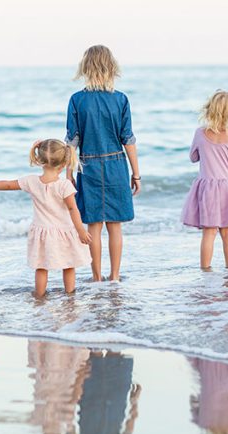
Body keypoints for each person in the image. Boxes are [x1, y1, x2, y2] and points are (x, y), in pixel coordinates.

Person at [0, 140, 91, 297]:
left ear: (39, 160)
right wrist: (81, 231)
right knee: (69, 265)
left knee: (41, 266)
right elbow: (73, 209)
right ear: (64, 163)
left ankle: (39, 296)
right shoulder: (64, 185)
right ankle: (70, 297)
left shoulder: (31, 181)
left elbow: (8, 185)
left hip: (42, 232)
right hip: (64, 231)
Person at [65, 45, 141, 282]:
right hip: (116, 164)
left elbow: (72, 140)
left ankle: (96, 278)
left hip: (88, 167)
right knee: (115, 226)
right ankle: (115, 277)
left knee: (94, 227)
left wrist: (68, 172)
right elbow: (127, 139)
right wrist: (136, 174)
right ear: (111, 67)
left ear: (85, 68)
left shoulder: (77, 100)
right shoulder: (120, 99)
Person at [181, 90, 228, 269]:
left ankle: (206, 270)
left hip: (208, 188)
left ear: (209, 109)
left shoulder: (200, 133)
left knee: (209, 233)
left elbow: (193, 157)